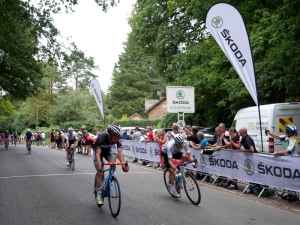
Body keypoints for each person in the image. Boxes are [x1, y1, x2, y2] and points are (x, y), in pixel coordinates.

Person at [93, 124, 128, 206]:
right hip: (99, 152)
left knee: (113, 163)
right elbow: (98, 155)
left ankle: (108, 180)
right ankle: (98, 194)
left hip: (108, 151)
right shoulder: (101, 137)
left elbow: (120, 152)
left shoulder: (117, 139)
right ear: (110, 136)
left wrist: (123, 165)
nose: (118, 138)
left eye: (119, 136)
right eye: (116, 137)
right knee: (100, 172)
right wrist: (99, 168)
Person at [266, 124, 299, 201]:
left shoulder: (294, 140)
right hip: (288, 160)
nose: (285, 132)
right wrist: (270, 133)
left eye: (286, 131)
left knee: (292, 178)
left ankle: (295, 195)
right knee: (287, 177)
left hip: (293, 160)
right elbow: (277, 136)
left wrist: (277, 153)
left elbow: (287, 151)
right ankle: (290, 193)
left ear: (290, 132)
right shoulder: (287, 137)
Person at [162, 134, 197, 198]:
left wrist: (193, 164)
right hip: (166, 153)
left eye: (181, 144)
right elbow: (170, 161)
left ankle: (179, 168)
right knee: (172, 170)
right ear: (175, 143)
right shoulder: (170, 146)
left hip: (175, 152)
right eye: (179, 144)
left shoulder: (185, 143)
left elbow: (189, 154)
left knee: (186, 158)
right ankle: (173, 189)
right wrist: (174, 168)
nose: (181, 146)